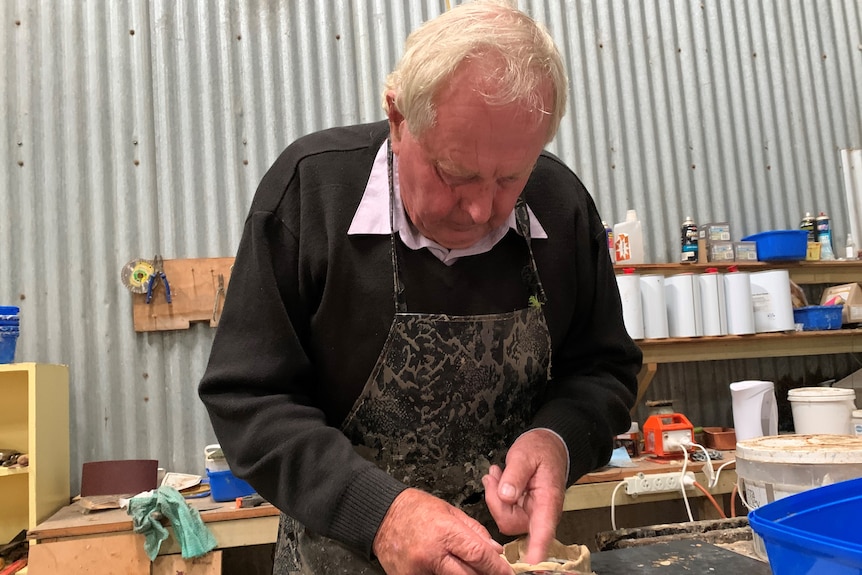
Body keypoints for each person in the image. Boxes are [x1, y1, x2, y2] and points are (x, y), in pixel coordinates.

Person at [198, 1, 641, 573]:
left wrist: (559, 440)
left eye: (511, 178)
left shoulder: (563, 206)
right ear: (398, 117)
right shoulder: (311, 194)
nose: (483, 208)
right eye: (456, 174)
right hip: (338, 555)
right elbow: (247, 400)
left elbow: (604, 371)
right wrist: (381, 514)